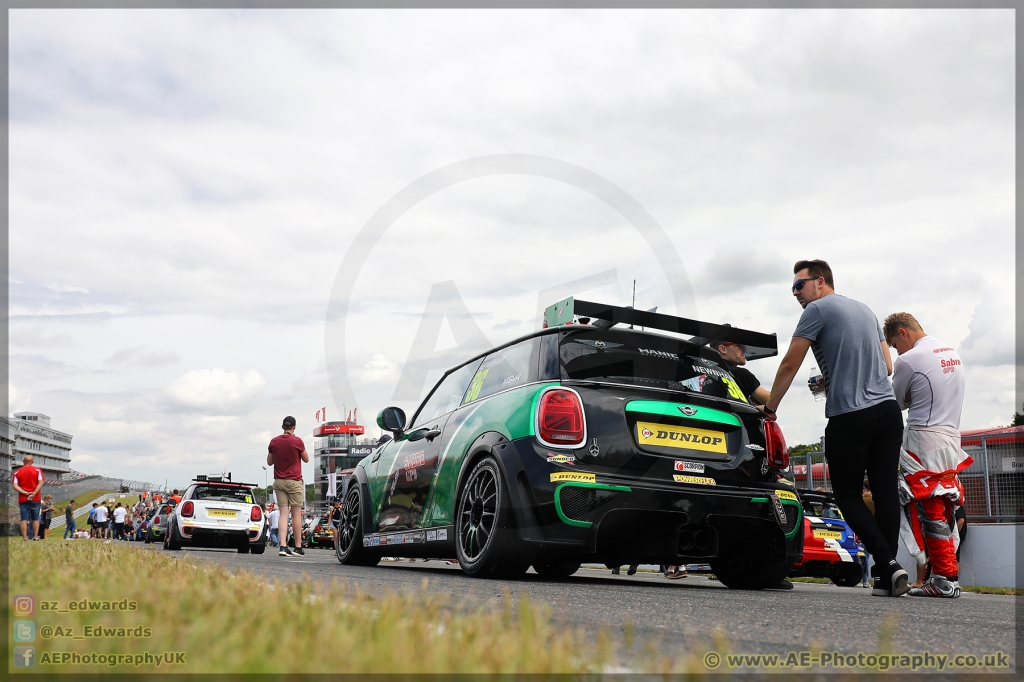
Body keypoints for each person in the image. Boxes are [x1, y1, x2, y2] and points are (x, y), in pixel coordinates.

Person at [764, 259, 909, 597]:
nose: (796, 293)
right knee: (885, 491)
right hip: (887, 411)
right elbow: (887, 365)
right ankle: (887, 577)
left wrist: (771, 407)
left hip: (851, 415)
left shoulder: (816, 310)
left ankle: (886, 563)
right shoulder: (866, 310)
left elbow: (790, 362)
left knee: (846, 494)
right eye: (793, 288)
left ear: (820, 281)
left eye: (799, 285)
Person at [884, 312, 971, 599]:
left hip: (923, 436)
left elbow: (896, 401)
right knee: (946, 507)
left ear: (902, 332)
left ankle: (944, 579)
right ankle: (946, 575)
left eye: (895, 345)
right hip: (951, 437)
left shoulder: (909, 360)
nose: (897, 352)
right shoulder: (951, 351)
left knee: (928, 508)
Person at [708, 336, 792, 590]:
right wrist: (755, 405)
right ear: (722, 349)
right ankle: (767, 566)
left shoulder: (700, 376)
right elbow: (771, 400)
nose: (744, 350)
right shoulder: (740, 375)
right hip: (742, 449)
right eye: (738, 346)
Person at [268, 415, 309, 557]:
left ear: (282, 427)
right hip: (294, 481)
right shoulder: (297, 441)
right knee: (296, 513)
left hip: (279, 481)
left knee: (283, 514)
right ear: (294, 427)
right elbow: (306, 459)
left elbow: (269, 462)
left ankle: (283, 546)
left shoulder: (274, 441)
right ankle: (298, 547)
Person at [12, 454, 45, 541]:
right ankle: (35, 536)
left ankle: (25, 538)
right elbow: (41, 482)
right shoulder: (37, 470)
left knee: (23, 519)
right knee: (35, 519)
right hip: (35, 498)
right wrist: (33, 493)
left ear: (23, 461)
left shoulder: (17, 472)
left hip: (23, 499)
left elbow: (15, 485)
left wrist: (25, 492)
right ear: (32, 462)